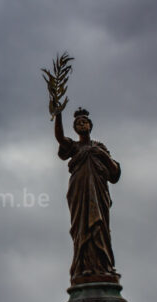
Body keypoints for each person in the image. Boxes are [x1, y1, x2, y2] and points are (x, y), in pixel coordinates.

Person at [54, 107, 121, 284]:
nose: (81, 124)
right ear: (74, 128)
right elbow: (60, 138)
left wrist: (104, 156)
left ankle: (103, 267)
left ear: (90, 125)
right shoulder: (74, 147)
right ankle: (83, 267)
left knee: (100, 228)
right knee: (81, 228)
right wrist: (58, 114)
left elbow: (114, 174)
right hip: (79, 190)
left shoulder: (100, 147)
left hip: (99, 193)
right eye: (77, 123)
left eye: (84, 121)